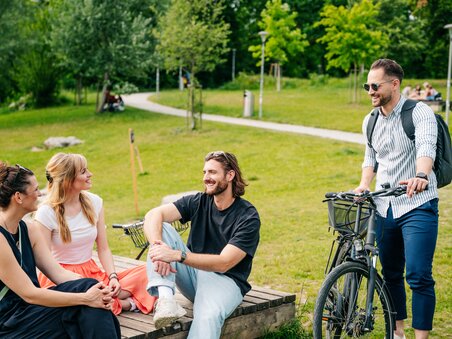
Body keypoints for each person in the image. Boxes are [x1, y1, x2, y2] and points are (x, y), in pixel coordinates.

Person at [357, 59, 438, 339]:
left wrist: (421, 175)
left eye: (375, 85)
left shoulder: (420, 113)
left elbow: (427, 146)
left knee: (417, 275)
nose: (370, 91)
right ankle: (398, 332)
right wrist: (364, 185)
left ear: (394, 84)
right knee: (391, 274)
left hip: (418, 203)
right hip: (384, 207)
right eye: (367, 86)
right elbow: (371, 158)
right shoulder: (370, 120)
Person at [143, 151, 260, 338]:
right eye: (205, 172)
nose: (206, 178)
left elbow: (225, 262)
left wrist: (177, 256)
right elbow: (153, 215)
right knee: (162, 229)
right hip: (194, 274)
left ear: (230, 176)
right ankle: (166, 300)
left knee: (207, 318)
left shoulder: (247, 216)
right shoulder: (198, 201)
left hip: (226, 281)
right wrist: (158, 247)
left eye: (213, 172)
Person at [0, 162, 121, 338]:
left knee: (91, 289)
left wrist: (98, 290)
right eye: (35, 190)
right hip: (8, 323)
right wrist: (86, 297)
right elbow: (30, 294)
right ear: (18, 197)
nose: (40, 193)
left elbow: (58, 273)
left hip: (31, 312)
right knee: (86, 303)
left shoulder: (29, 230)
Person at [34, 153, 155, 315]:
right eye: (83, 171)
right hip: (59, 276)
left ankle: (113, 300)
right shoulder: (46, 212)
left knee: (150, 270)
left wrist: (113, 277)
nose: (90, 174)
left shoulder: (95, 202)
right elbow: (44, 259)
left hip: (92, 271)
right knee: (82, 302)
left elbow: (103, 249)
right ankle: (126, 304)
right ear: (68, 179)